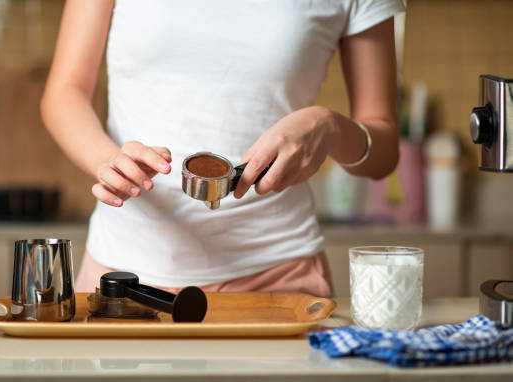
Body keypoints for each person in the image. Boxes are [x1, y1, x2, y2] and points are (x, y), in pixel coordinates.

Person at [41, 0, 404, 297]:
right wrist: (107, 160)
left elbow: (384, 151)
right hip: (124, 278)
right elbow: (65, 91)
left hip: (278, 277)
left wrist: (330, 126)